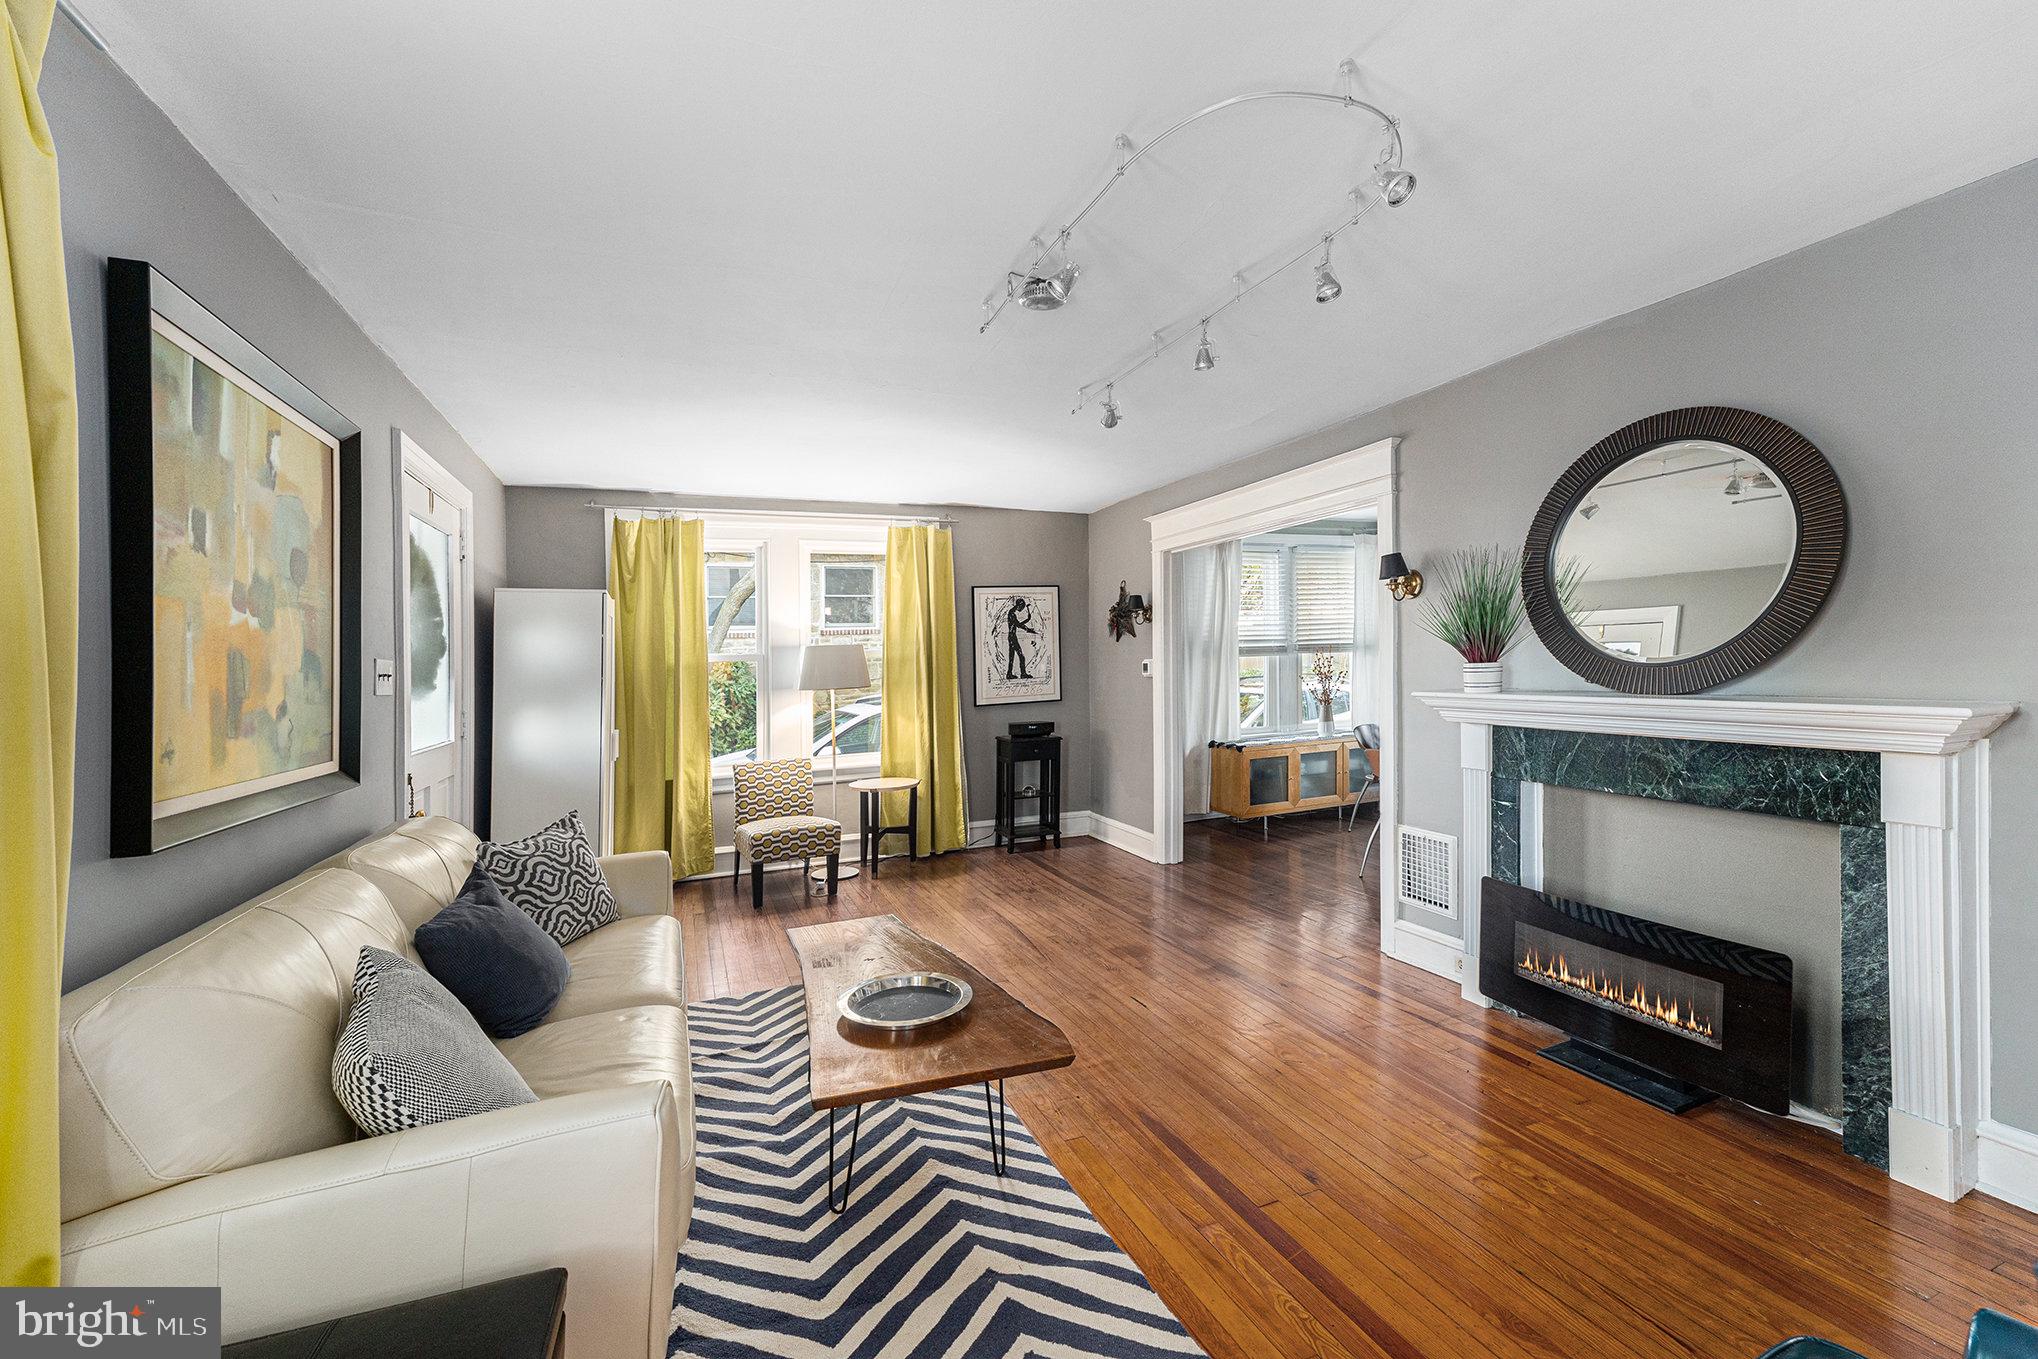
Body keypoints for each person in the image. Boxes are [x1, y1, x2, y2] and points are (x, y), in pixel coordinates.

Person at [1003, 596, 1036, 680]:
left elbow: (1017, 624)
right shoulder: (1012, 614)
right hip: (1012, 637)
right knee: (1021, 656)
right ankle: (1023, 674)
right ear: (1019, 605)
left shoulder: (1011, 613)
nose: (1022, 609)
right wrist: (1027, 627)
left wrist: (1027, 625)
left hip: (1011, 637)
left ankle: (1009, 674)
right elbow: (1018, 625)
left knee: (1012, 657)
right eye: (1022, 607)